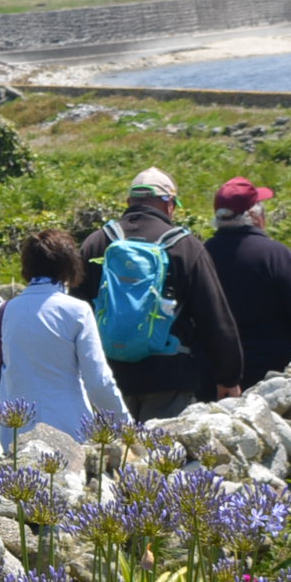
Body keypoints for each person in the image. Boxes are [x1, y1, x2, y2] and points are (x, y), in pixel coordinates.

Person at [72, 168, 246, 420]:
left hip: (109, 378)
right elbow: (214, 316)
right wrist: (228, 377)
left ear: (129, 202)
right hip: (168, 376)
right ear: (169, 205)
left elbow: (76, 312)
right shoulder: (185, 246)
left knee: (110, 457)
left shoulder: (96, 243)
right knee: (160, 456)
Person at [0, 229, 128, 449]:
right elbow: (98, 381)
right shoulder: (77, 311)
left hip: (13, 434)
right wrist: (125, 425)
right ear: (70, 265)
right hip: (70, 430)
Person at [202, 178, 291, 387]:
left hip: (216, 378)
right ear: (256, 216)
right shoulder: (274, 254)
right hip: (272, 378)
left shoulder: (202, 254)